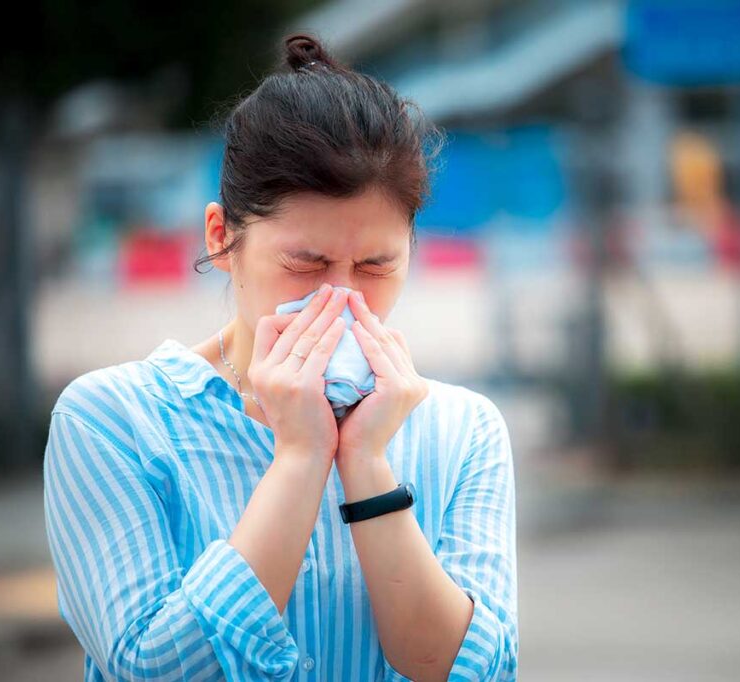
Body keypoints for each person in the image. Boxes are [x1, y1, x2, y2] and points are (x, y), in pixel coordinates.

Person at [43, 33, 518, 682]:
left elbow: (470, 670)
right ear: (221, 238)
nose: (343, 297)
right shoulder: (113, 422)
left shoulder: (462, 431)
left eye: (377, 265)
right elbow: (152, 670)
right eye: (307, 263)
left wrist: (366, 463)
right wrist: (298, 459)